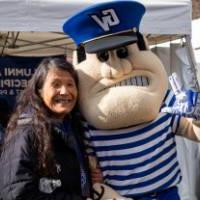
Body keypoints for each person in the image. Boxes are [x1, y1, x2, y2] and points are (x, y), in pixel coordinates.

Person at [0, 57, 92, 200]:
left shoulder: (72, 127)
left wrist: (89, 175)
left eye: (70, 84)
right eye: (56, 84)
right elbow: (15, 193)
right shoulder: (26, 131)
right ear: (39, 91)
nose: (64, 91)